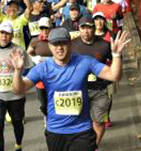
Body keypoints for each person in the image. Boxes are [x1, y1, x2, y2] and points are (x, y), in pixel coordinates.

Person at [11, 28, 129, 151]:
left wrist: (116, 55)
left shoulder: (85, 62)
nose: (59, 47)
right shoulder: (43, 68)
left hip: (82, 130)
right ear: (50, 46)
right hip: (56, 130)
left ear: (70, 44)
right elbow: (18, 90)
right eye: (55, 44)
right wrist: (17, 71)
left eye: (63, 43)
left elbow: (114, 75)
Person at [0, 20, 33, 151]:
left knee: (17, 123)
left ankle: (18, 144)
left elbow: (30, 68)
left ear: (12, 36)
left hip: (16, 96)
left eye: (8, 34)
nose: (4, 36)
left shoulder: (19, 50)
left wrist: (22, 80)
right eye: (2, 33)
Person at [71, 16, 112, 146]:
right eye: (83, 28)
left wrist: (108, 78)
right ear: (79, 29)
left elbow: (115, 62)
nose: (86, 31)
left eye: (89, 28)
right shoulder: (72, 45)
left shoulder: (104, 45)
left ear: (94, 28)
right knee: (79, 123)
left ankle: (93, 147)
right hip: (78, 90)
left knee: (98, 122)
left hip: (99, 90)